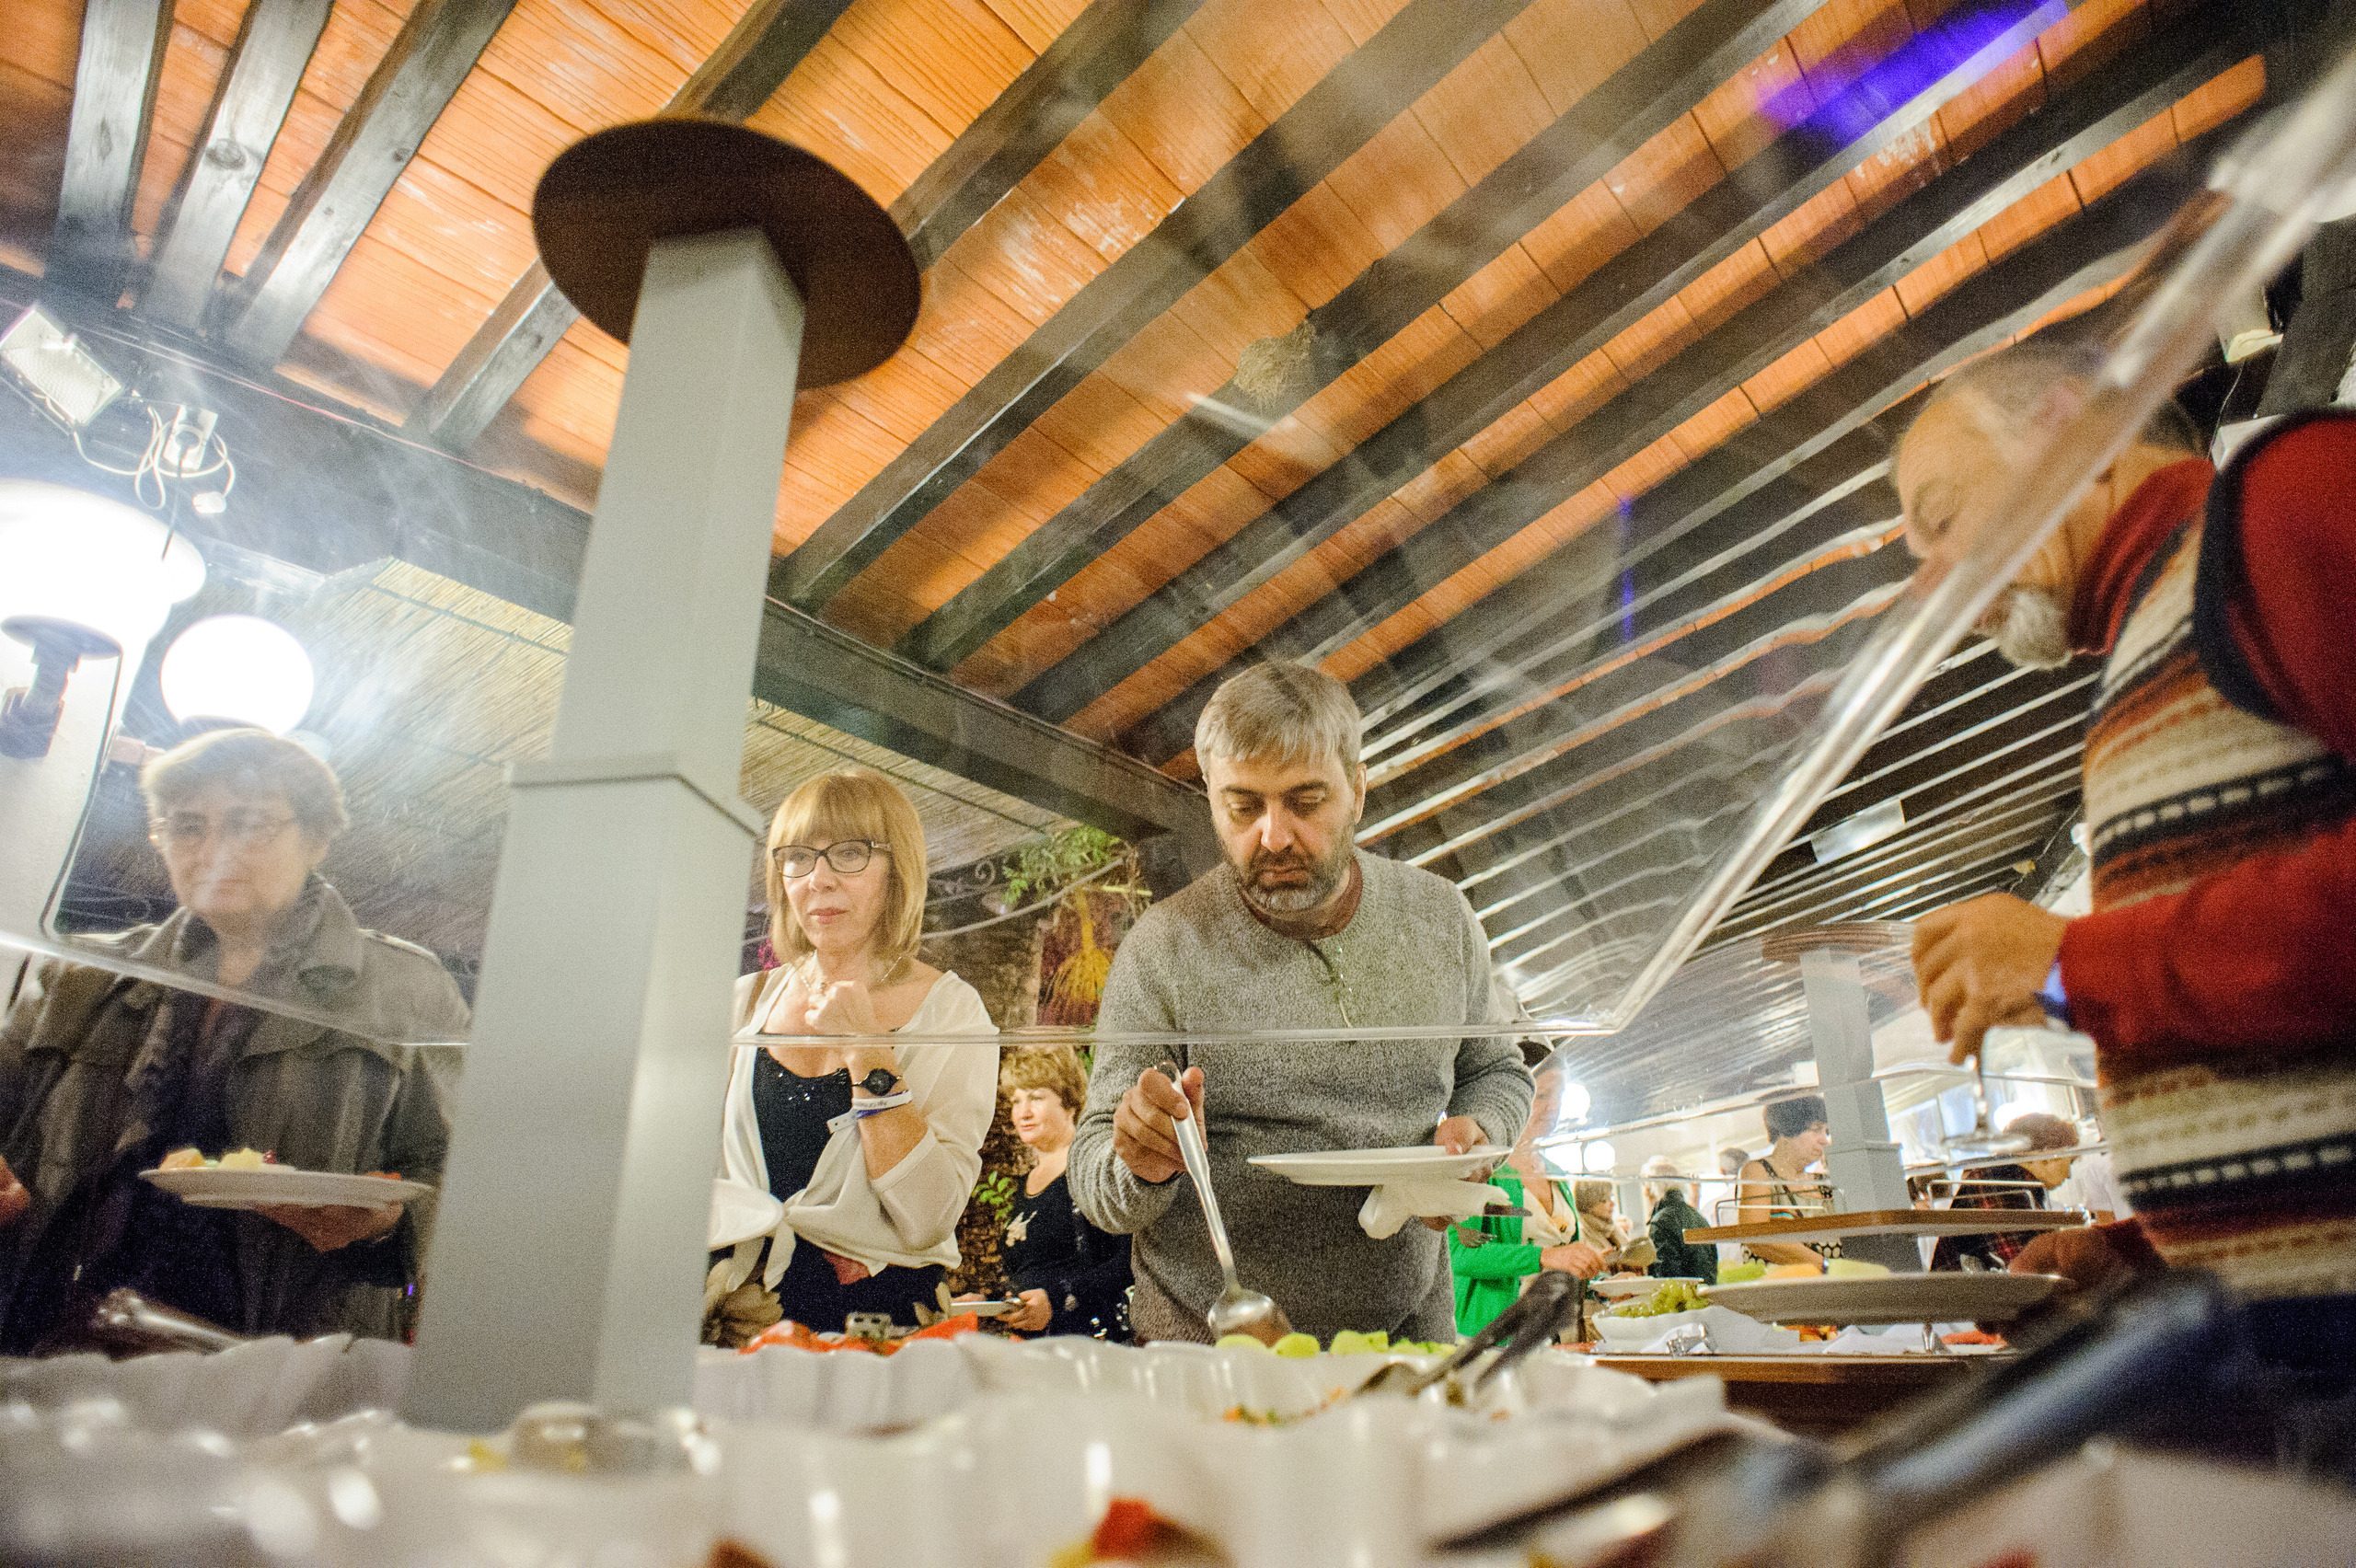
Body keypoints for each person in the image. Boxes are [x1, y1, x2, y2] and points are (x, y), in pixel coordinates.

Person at [1897, 342, 2356, 1305]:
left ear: (2073, 433)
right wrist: (2144, 1251)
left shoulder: (2284, 498)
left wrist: (2071, 965)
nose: (1933, 585)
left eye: (1940, 523)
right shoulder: (2156, 635)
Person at [1069, 663, 1535, 1344]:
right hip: (1211, 1344)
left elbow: (1498, 1071)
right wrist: (1138, 1162)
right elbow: (1093, 1173)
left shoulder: (1440, 919)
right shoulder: (1163, 947)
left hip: (1408, 1339)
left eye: (1306, 801)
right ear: (1210, 799)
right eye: (1243, 805)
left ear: (1359, 791)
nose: (1274, 836)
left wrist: (1480, 1131)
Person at [0, 729, 466, 1349]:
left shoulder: (407, 987)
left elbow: (468, 1172)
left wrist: (388, 1224)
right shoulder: (82, 973)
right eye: (189, 827)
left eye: (250, 825)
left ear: (318, 839)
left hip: (281, 1351)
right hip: (58, 1328)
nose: (215, 850)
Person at [707, 768, 996, 1338]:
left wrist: (868, 1051)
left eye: (848, 853)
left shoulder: (951, 1013)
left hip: (876, 1334)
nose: (818, 879)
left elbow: (927, 1215)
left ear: (898, 871)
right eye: (797, 857)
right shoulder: (746, 1005)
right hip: (736, 1322)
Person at [971, 1046, 1130, 1340]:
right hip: (1035, 1354)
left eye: (1036, 1098)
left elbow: (1128, 1262)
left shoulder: (1093, 1170)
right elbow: (1033, 1275)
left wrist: (1059, 1299)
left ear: (1070, 1103)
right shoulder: (1022, 1186)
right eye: (1016, 1100)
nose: (1023, 1112)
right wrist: (985, 1304)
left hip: (1088, 1351)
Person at [1449, 1066, 1606, 1337]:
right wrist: (1544, 1256)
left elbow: (1564, 1257)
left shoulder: (1556, 1172)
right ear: (1515, 1099)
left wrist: (1602, 1285)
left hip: (1560, 1332)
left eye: (1560, 1094)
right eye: (1543, 1095)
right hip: (1498, 1336)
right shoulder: (1483, 1167)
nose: (1554, 1106)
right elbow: (1461, 1255)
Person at [1928, 1112, 2080, 1273]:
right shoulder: (2000, 1183)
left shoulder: (2007, 1180)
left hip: (1973, 1292)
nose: (2069, 1174)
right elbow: (2023, 1266)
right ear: (2046, 1155)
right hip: (1967, 1295)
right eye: (2069, 1162)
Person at [1738, 1097, 1842, 1268]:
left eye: (1826, 1132)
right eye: (1816, 1130)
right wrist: (1826, 1267)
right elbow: (1757, 1237)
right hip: (1785, 1290)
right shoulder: (1758, 1171)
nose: (1824, 1140)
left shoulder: (1823, 1183)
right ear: (1787, 1130)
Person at [1640, 1157, 1718, 1284]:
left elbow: (1667, 1278)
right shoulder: (1698, 1217)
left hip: (1683, 1299)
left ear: (1652, 1186)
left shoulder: (1661, 1222)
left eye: (1645, 1186)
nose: (1644, 1193)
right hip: (1706, 1295)